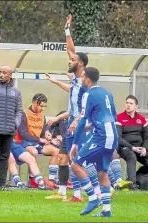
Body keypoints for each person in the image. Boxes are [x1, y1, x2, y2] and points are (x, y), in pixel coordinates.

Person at [45, 15, 100, 202]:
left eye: (73, 59)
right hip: (71, 123)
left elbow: (84, 105)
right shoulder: (76, 82)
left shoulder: (84, 80)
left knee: (78, 159)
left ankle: (96, 189)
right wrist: (67, 29)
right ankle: (67, 193)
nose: (70, 60)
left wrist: (77, 120)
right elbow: (70, 50)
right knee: (66, 158)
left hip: (80, 125)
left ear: (81, 64)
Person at [70, 67, 118, 217]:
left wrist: (75, 144)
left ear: (88, 79)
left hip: (101, 136)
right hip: (112, 135)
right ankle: (106, 210)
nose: (81, 79)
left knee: (76, 164)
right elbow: (113, 116)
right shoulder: (107, 93)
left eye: (83, 76)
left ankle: (92, 198)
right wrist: (94, 124)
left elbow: (83, 120)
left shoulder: (88, 94)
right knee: (102, 171)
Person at [14, 93, 60, 188]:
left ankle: (51, 180)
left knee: (56, 151)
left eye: (44, 106)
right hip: (25, 142)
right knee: (34, 151)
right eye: (41, 106)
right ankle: (32, 180)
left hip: (38, 143)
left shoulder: (42, 116)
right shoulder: (24, 114)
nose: (42, 109)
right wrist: (40, 139)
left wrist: (48, 134)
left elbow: (44, 130)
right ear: (34, 103)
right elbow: (23, 134)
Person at [116, 95, 148, 190]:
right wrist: (132, 147)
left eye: (131, 103)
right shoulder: (119, 118)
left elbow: (147, 137)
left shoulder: (141, 119)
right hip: (124, 148)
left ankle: (134, 177)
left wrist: (144, 148)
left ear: (136, 106)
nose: (128, 105)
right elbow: (118, 138)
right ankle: (132, 185)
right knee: (132, 156)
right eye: (127, 103)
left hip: (140, 148)